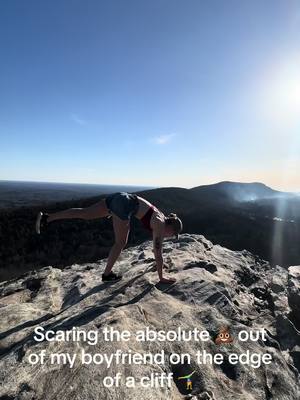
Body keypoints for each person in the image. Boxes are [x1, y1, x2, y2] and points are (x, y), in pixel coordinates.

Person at [35, 192, 183, 283]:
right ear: (171, 228)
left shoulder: (160, 216)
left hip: (120, 197)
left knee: (84, 213)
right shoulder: (160, 224)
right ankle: (107, 275)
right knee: (121, 242)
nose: (170, 236)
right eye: (173, 234)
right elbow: (158, 251)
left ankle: (47, 218)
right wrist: (161, 277)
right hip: (124, 205)